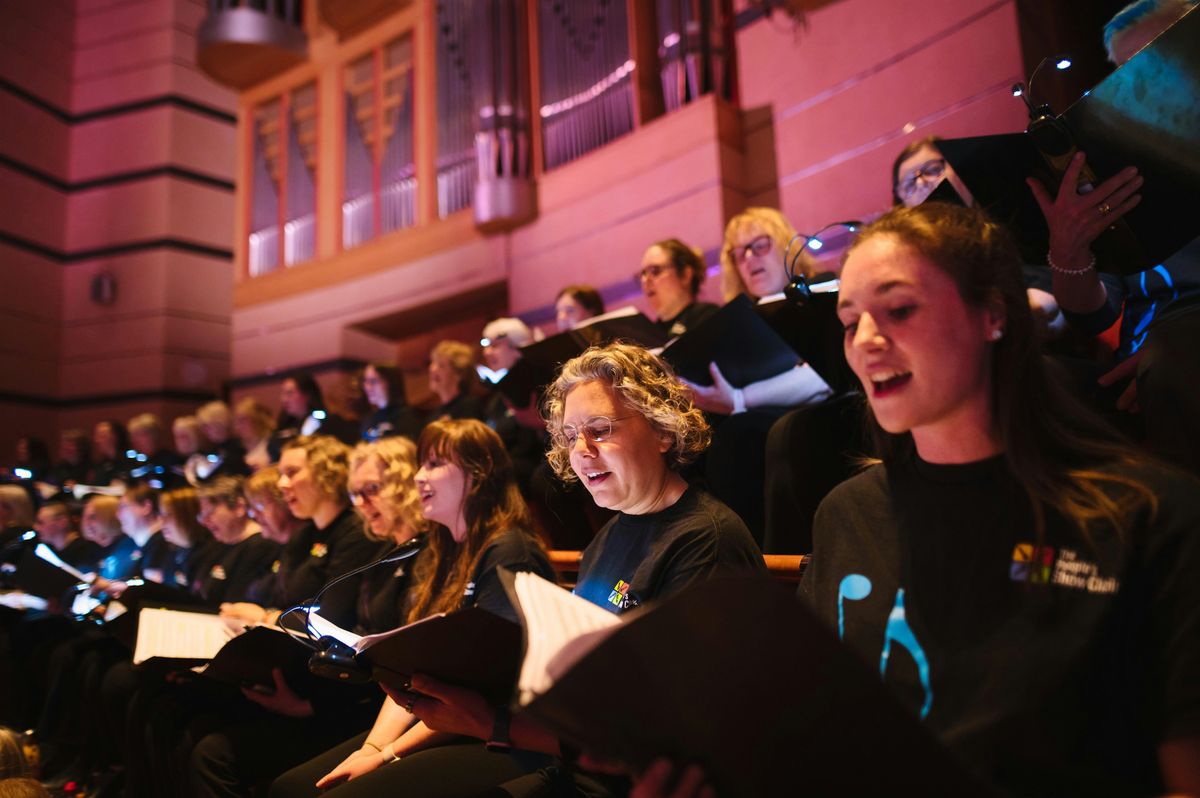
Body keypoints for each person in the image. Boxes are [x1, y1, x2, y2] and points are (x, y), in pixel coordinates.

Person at [795, 203, 1200, 796]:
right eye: (850, 321)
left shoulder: (1153, 515)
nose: (866, 343)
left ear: (993, 313)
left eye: (900, 309)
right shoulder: (847, 513)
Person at [374, 344, 765, 797]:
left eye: (599, 429)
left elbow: (676, 740)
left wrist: (490, 722)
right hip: (569, 768)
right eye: (570, 434)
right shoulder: (605, 538)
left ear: (662, 430)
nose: (581, 451)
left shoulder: (705, 540)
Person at [269, 418, 556, 798]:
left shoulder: (508, 552)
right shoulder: (445, 554)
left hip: (495, 731)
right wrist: (371, 748)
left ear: (478, 473)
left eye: (435, 464)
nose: (420, 477)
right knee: (288, 788)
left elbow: (473, 696)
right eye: (421, 464)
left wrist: (386, 755)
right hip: (444, 721)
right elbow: (415, 675)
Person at [1027, 0, 1200, 473]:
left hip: (1176, 353)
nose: (1138, 84)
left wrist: (1165, 355)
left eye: (1153, 59)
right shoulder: (1119, 169)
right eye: (1124, 71)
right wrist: (1069, 248)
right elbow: (1091, 311)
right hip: (1141, 366)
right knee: (1028, 383)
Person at [638, 239, 718, 336]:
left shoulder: (709, 317)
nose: (645, 280)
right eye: (643, 274)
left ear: (685, 275)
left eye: (655, 271)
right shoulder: (649, 335)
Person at [359, 363, 423, 443]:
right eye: (365, 381)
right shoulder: (368, 419)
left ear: (391, 382)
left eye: (373, 381)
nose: (367, 387)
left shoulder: (407, 417)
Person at [426, 340, 486, 422]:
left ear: (459, 374)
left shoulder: (470, 407)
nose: (433, 369)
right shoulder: (434, 415)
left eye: (441, 365)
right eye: (432, 364)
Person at [233, 397, 276, 472]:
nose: (238, 426)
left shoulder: (273, 443)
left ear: (256, 420)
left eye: (242, 420)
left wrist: (267, 469)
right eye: (236, 421)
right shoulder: (236, 448)